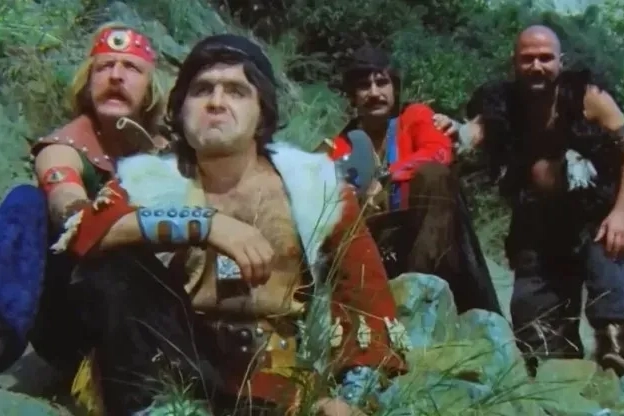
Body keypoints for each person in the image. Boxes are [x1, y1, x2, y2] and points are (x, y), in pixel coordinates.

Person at [49, 34, 409, 415]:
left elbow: (367, 303)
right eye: (201, 90)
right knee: (113, 264)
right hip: (170, 373)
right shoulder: (145, 181)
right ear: (180, 109)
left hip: (280, 389)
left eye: (236, 91)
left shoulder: (316, 188)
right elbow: (83, 232)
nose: (216, 102)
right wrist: (203, 224)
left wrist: (349, 400)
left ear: (262, 112)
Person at [433, 25, 624, 376]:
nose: (537, 66)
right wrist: (451, 132)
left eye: (545, 58)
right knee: (536, 330)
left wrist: (621, 213)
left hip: (599, 214)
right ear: (515, 63)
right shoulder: (503, 103)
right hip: (539, 223)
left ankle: (616, 362)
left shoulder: (588, 97)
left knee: (612, 298)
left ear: (561, 61)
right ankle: (564, 380)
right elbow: (472, 133)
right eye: (528, 59)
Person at [0, 22, 168, 373]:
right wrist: (81, 211)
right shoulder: (65, 145)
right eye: (104, 67)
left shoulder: (173, 155)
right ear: (88, 82)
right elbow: (67, 205)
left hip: (150, 324)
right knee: (26, 201)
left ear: (150, 89)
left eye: (131, 67)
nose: (116, 76)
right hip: (74, 319)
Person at [320, 44, 501, 315]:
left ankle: (416, 295)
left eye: (382, 82)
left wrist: (385, 178)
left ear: (394, 88)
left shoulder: (416, 116)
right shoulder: (341, 145)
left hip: (431, 240)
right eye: (364, 86)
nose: (374, 93)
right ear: (352, 97)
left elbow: (438, 152)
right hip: (374, 248)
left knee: (434, 175)